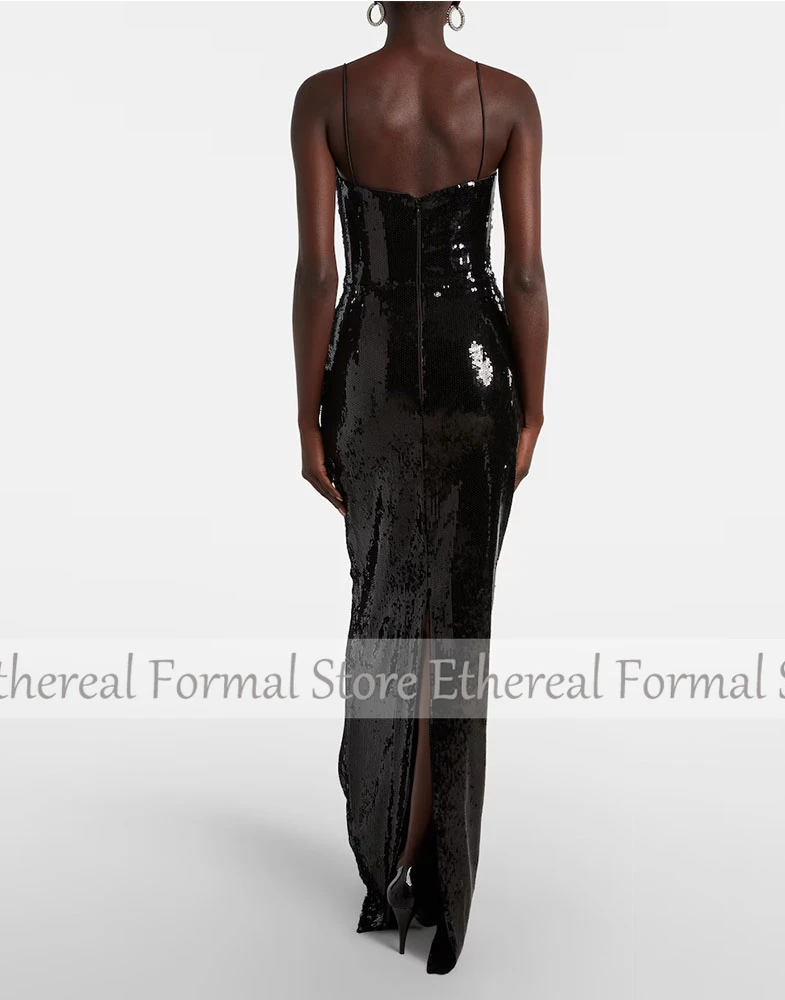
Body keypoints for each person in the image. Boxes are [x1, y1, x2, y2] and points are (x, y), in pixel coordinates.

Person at [290, 0, 548, 975]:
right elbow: (525, 275)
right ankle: (444, 883)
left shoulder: (325, 99)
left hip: (374, 377)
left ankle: (390, 848)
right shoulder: (508, 100)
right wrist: (532, 410)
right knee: (459, 618)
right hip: (480, 372)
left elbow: (320, 274)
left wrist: (305, 416)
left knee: (388, 605)